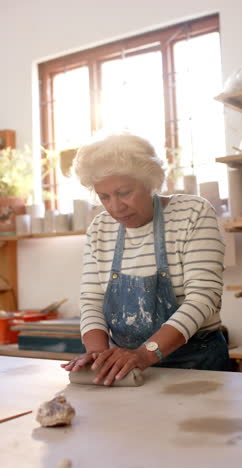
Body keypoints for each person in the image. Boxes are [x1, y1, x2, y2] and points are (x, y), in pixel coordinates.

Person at [61, 133, 230, 385]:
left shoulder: (193, 213)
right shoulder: (100, 227)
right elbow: (92, 300)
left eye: (124, 192)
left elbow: (202, 298)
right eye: (104, 197)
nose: (115, 207)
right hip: (126, 367)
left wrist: (144, 353)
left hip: (196, 362)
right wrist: (97, 355)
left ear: (150, 181)